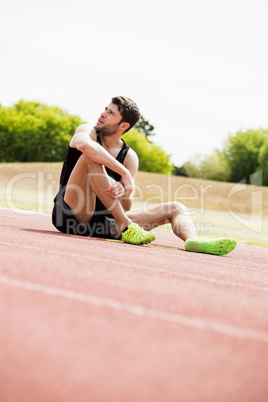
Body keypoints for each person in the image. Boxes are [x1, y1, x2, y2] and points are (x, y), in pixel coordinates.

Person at [52, 96, 236, 256]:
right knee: (90, 156)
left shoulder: (130, 157)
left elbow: (127, 204)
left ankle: (194, 241)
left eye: (111, 113)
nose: (103, 114)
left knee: (176, 207)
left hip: (104, 224)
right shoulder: (87, 131)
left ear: (123, 126)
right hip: (72, 215)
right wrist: (123, 174)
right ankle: (127, 227)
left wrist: (122, 191)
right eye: (105, 109)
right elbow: (83, 145)